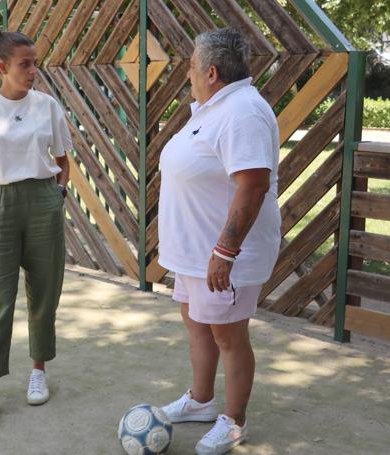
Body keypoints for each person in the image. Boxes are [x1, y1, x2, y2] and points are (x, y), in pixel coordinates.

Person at [158, 28, 281, 455]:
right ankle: (201, 400)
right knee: (198, 325)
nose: (187, 73)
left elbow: (253, 185)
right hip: (194, 254)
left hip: (224, 257)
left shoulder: (243, 111)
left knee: (229, 336)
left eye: (191, 66)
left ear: (211, 72)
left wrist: (225, 252)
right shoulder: (213, 109)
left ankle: (234, 421)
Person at [0, 25, 72, 427]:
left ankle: (39, 371)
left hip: (43, 201)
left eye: (36, 63)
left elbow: (64, 159)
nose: (33, 70)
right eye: (25, 64)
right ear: (2, 66)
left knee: (44, 292)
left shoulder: (48, 106)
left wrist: (57, 197)